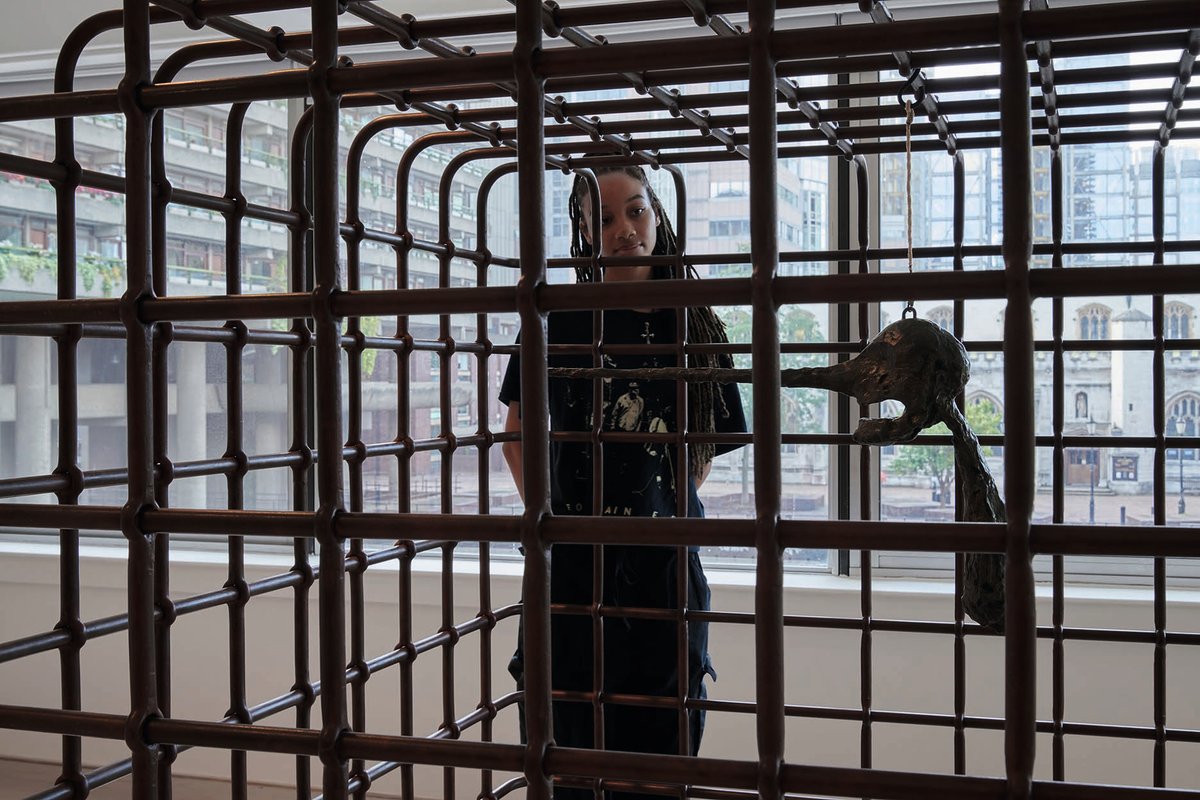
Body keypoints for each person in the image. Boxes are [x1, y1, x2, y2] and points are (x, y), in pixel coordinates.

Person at [499, 164, 747, 798]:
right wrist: (561, 522)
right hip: (570, 585)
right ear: (584, 232)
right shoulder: (553, 319)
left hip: (665, 581)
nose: (623, 230)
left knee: (660, 768)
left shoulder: (693, 324)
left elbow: (703, 451)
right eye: (604, 218)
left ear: (657, 217)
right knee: (567, 764)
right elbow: (516, 431)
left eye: (634, 211)